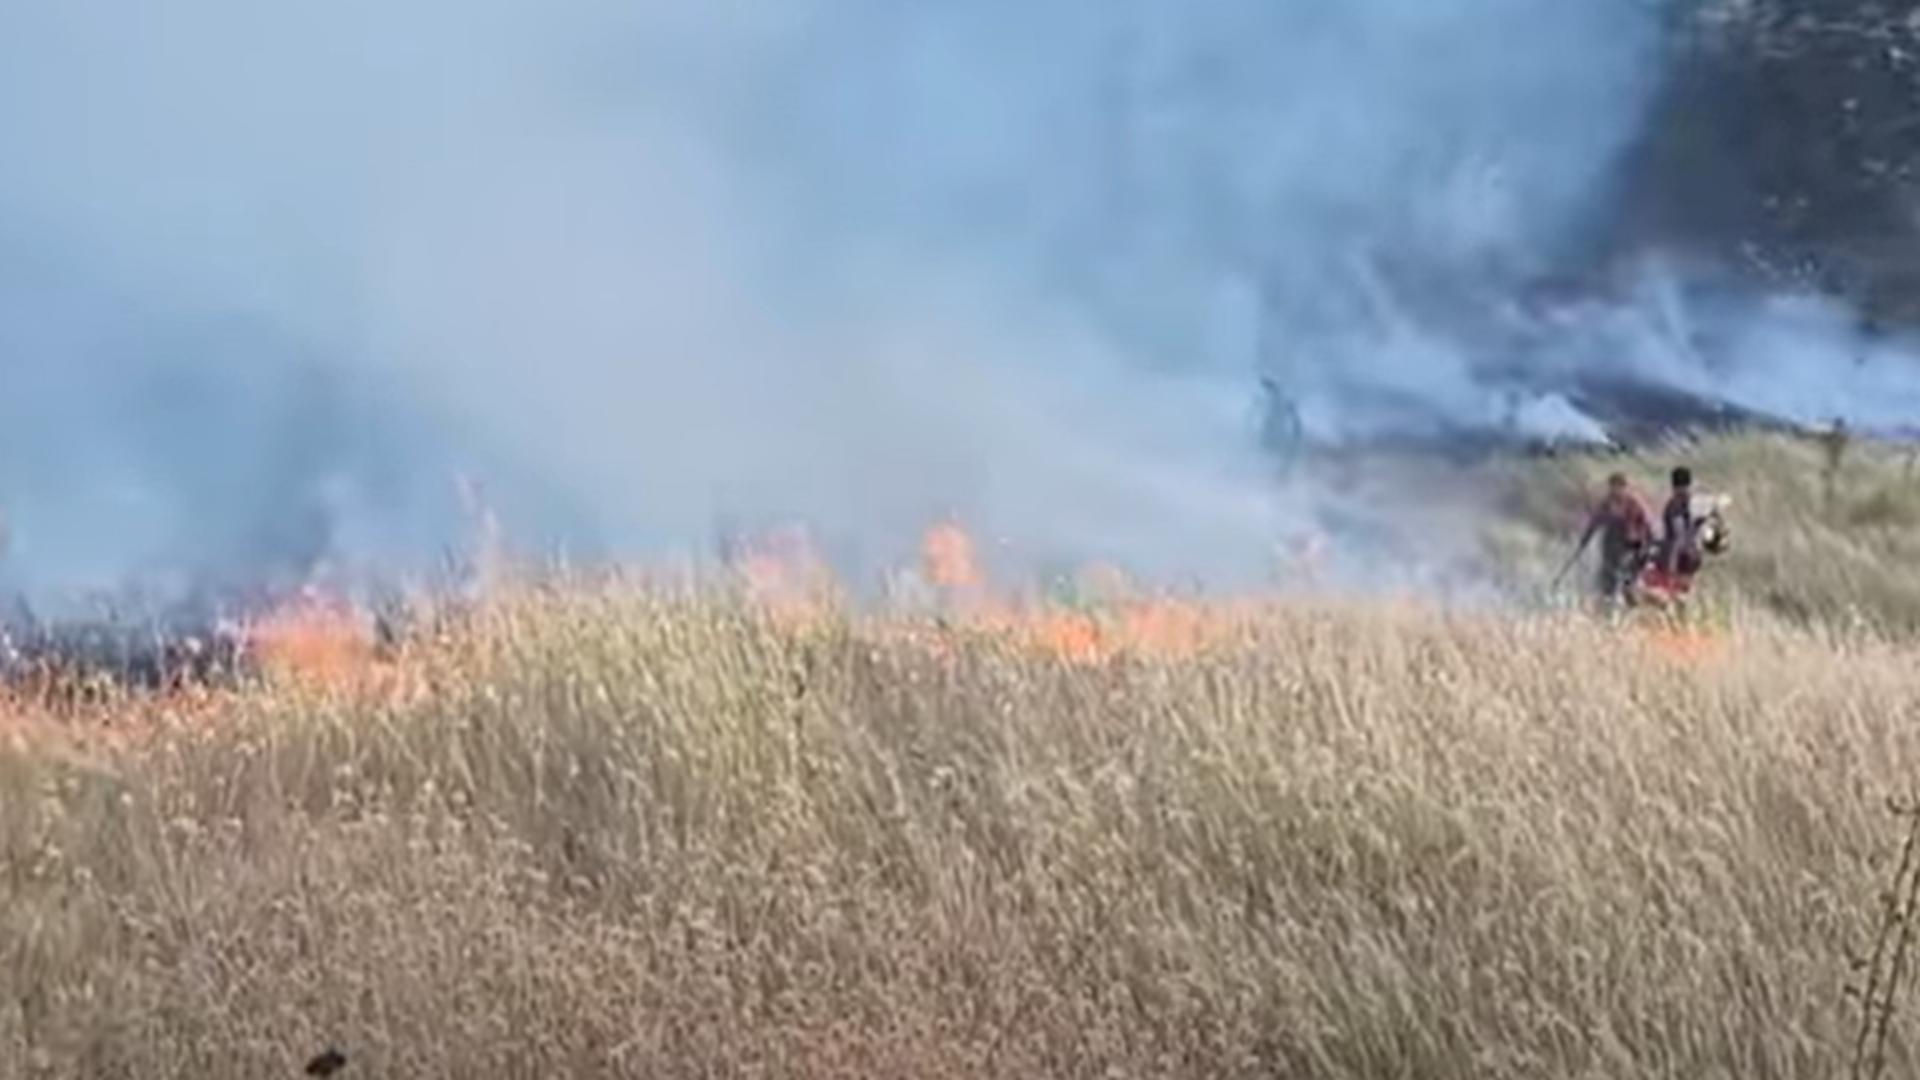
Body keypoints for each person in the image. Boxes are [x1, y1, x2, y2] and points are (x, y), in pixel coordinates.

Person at [1577, 471, 1654, 603]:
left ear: (1624, 487)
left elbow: (1646, 524)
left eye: (1620, 487)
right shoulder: (1606, 504)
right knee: (1607, 578)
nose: (1616, 491)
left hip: (1630, 546)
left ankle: (1631, 599)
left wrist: (1648, 543)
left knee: (1627, 579)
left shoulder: (1633, 503)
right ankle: (1607, 602)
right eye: (1613, 487)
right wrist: (1585, 540)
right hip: (1611, 545)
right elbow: (1595, 522)